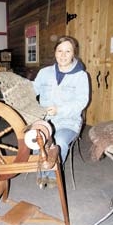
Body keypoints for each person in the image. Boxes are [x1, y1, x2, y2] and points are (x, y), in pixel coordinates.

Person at [32, 35, 89, 188]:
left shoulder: (81, 76)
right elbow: (32, 90)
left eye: (68, 51)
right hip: (45, 120)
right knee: (36, 140)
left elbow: (81, 102)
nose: (63, 55)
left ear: (73, 53)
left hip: (68, 121)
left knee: (60, 142)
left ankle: (52, 174)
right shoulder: (44, 73)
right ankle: (41, 172)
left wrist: (60, 110)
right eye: (60, 51)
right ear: (55, 52)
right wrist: (17, 89)